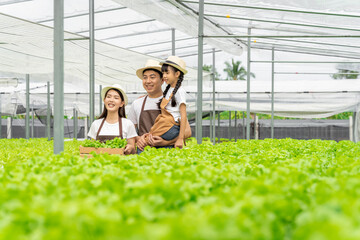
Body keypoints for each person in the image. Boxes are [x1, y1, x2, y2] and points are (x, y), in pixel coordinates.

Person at [128, 59, 191, 154]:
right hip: (145, 151)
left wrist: (166, 142)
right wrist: (139, 139)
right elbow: (129, 132)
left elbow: (187, 132)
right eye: (145, 78)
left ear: (162, 80)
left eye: (152, 77)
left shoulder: (171, 100)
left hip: (168, 151)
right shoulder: (137, 103)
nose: (148, 81)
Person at [147, 56, 188, 149]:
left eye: (167, 73)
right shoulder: (170, 89)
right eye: (163, 73)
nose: (164, 76)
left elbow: (183, 115)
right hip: (166, 125)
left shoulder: (180, 91)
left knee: (147, 142)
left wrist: (180, 138)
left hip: (171, 126)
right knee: (158, 146)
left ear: (177, 74)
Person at [88, 84, 137, 154]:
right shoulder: (96, 124)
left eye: (116, 98)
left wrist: (130, 147)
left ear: (121, 103)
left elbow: (133, 150)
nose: (111, 100)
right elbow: (91, 150)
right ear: (104, 100)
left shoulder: (128, 124)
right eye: (108, 97)